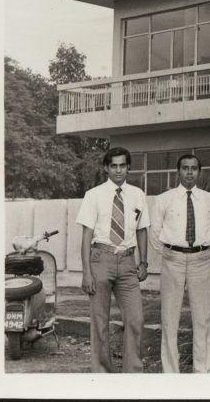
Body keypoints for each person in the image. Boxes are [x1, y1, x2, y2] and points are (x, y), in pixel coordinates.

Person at [76, 147, 149, 372]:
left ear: (129, 167)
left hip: (128, 262)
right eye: (114, 166)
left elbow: (142, 229)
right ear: (106, 168)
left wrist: (144, 262)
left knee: (135, 320)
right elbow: (86, 235)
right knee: (100, 322)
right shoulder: (94, 194)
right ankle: (102, 374)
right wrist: (86, 272)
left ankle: (132, 373)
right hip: (101, 259)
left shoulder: (138, 194)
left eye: (123, 165)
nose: (118, 170)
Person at [149, 154, 210, 373]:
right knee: (170, 318)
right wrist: (171, 252)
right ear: (178, 172)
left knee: (202, 318)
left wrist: (201, 249)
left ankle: (202, 372)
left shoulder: (209, 199)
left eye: (194, 168)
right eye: (185, 168)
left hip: (200, 260)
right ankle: (171, 373)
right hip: (173, 259)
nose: (190, 172)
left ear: (200, 172)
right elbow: (155, 232)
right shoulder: (164, 199)